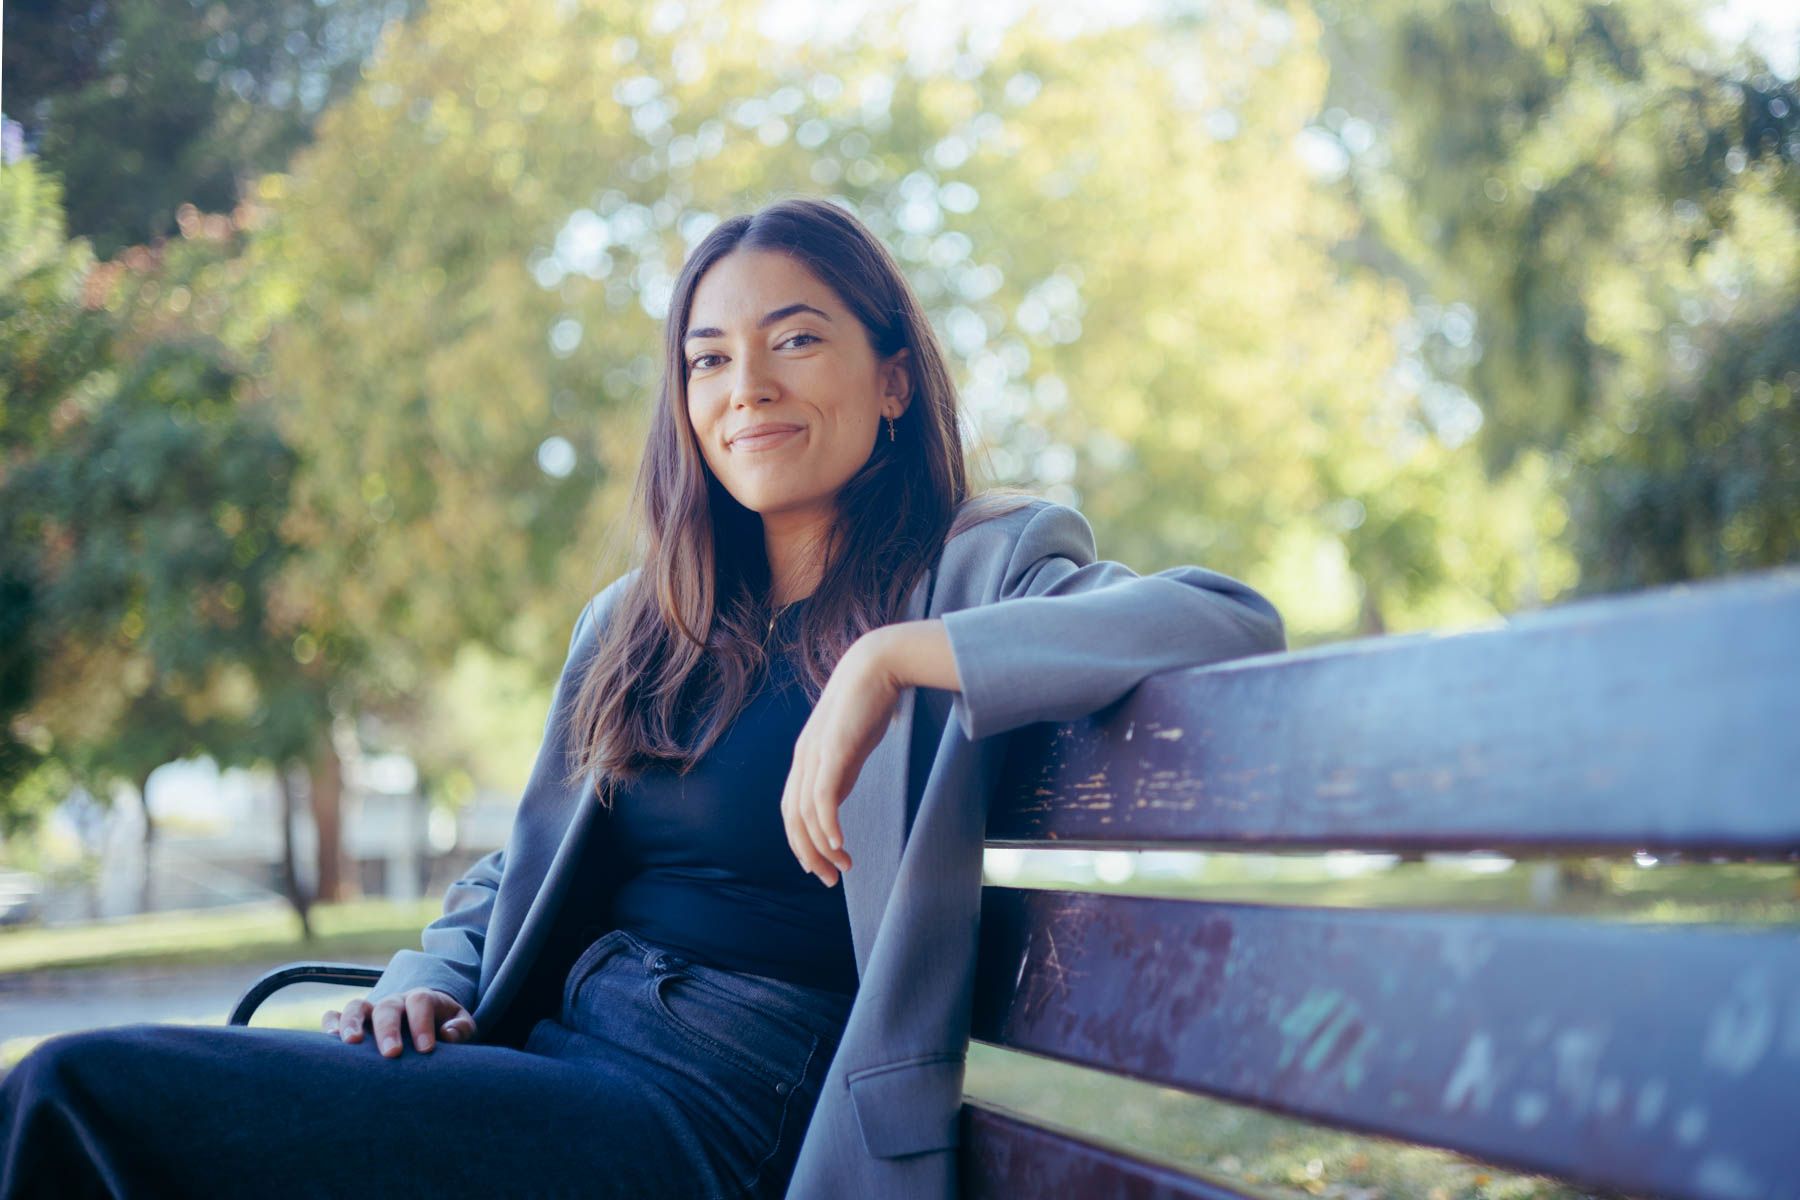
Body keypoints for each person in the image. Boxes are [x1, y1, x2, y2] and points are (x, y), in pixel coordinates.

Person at [0, 196, 1286, 1199]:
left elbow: (1227, 617)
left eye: (797, 340)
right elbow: (515, 875)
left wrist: (891, 659)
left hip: (722, 1109)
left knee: (73, 1095)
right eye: (710, 359)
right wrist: (425, 973)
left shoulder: (982, 567)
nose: (750, 388)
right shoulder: (638, 622)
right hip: (543, 1056)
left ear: (894, 377)